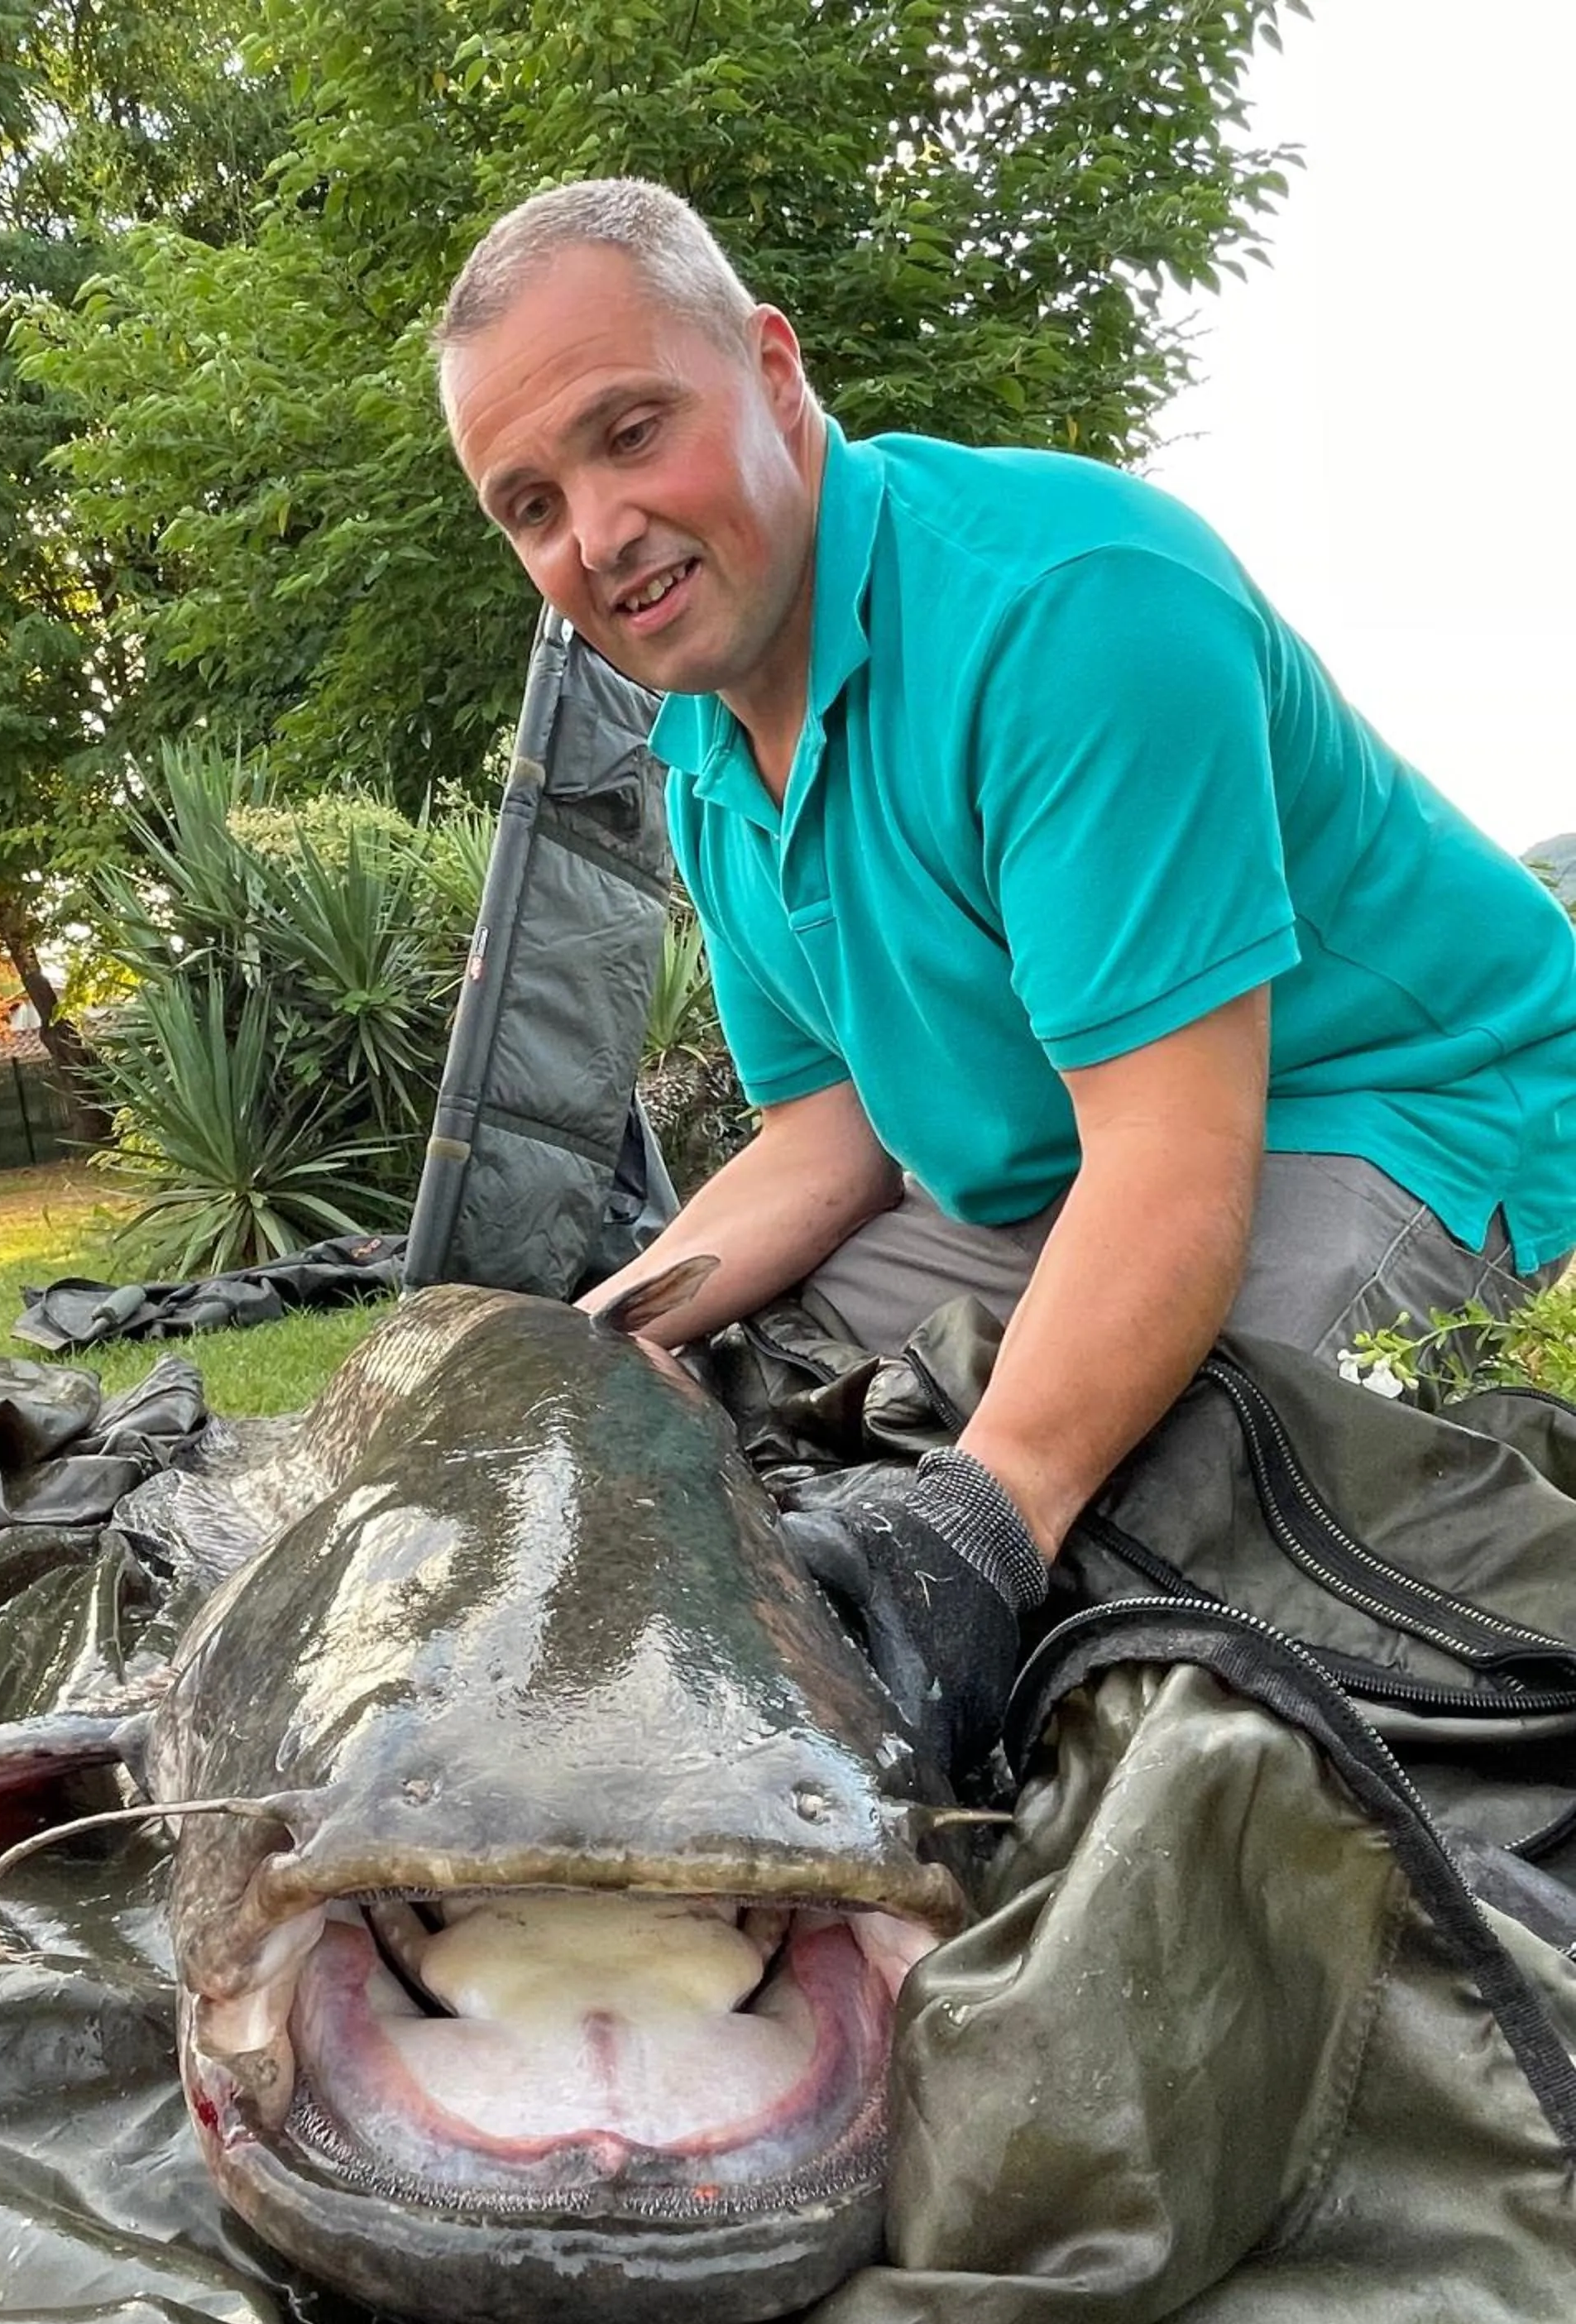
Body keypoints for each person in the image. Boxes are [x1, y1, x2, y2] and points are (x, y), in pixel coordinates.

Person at [435, 178, 1576, 1766]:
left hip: (1390, 1097)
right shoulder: (697, 752)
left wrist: (981, 1521)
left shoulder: (1072, 609)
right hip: (1063, 1144)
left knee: (1163, 1479)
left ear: (774, 372)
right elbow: (826, 1141)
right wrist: (570, 1342)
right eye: (530, 505)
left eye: (631, 433)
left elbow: (1171, 1159)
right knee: (737, 1392)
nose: (597, 532)